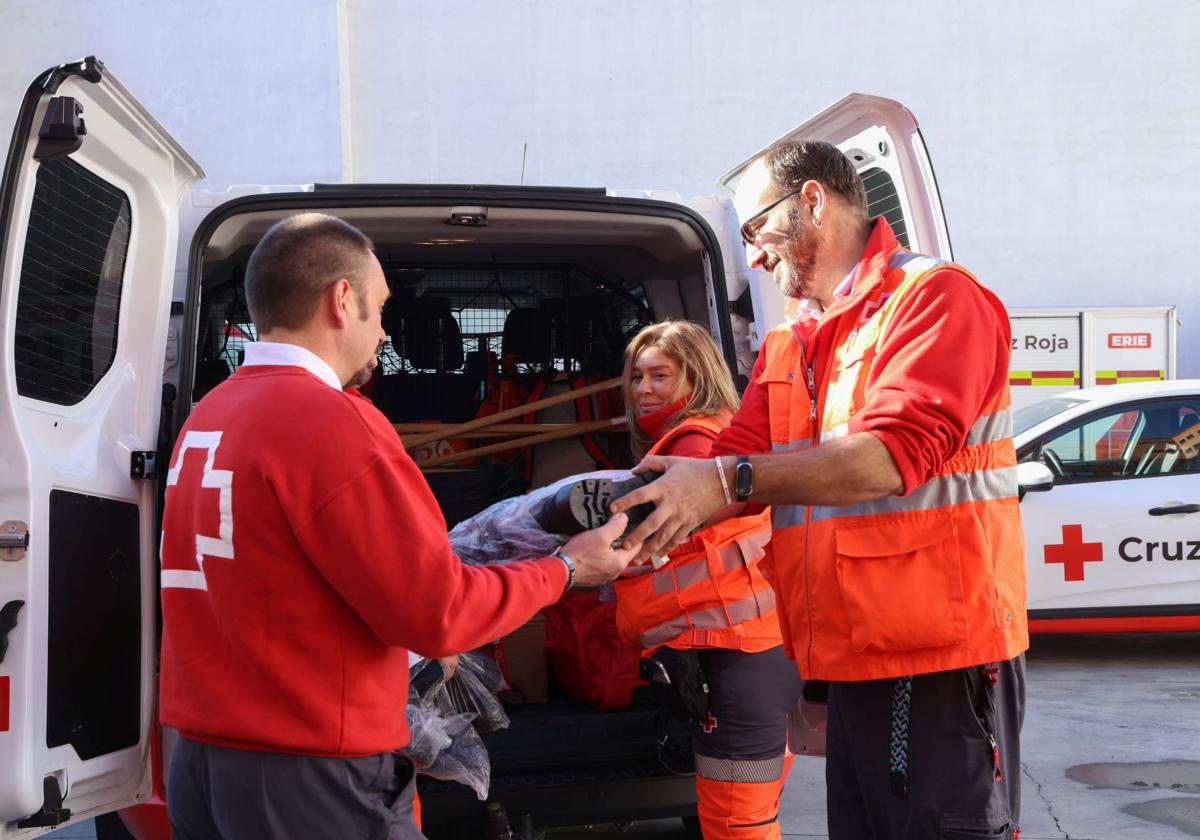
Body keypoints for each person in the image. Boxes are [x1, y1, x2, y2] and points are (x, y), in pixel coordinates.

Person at [159, 212, 641, 840]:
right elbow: (436, 613)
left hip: (200, 760)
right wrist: (567, 569)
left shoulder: (209, 415)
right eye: (381, 309)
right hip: (309, 775)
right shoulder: (333, 421)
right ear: (342, 300)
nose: (384, 334)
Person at [611, 141, 1028, 840]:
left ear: (811, 202)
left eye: (754, 230)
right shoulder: (791, 342)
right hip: (849, 653)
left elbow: (890, 457)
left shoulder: (933, 298)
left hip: (937, 654)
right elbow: (728, 464)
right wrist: (611, 512)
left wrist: (720, 480)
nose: (754, 257)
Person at [612, 321, 802, 840]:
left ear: (696, 379)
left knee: (736, 823)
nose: (644, 390)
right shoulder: (717, 432)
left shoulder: (695, 448)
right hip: (746, 650)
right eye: (637, 377)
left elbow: (644, 541)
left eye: (661, 376)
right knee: (739, 817)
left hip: (736, 657)